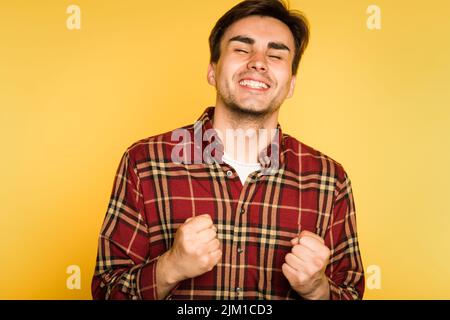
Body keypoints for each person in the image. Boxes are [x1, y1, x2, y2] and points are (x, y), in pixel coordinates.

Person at [91, 0, 365, 300]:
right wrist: (170, 267)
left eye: (275, 54)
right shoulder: (144, 163)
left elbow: (350, 292)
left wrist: (318, 289)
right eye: (241, 49)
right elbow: (106, 291)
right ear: (212, 71)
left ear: (291, 85)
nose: (258, 62)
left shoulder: (329, 179)